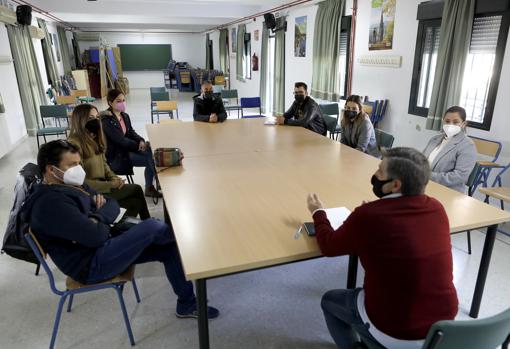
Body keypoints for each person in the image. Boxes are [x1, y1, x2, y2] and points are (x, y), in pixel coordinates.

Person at [23, 140, 219, 319]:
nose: (79, 170)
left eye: (79, 163)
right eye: (72, 165)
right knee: (152, 227)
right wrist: (99, 216)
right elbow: (96, 237)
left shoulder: (72, 184)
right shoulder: (50, 203)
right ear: (51, 169)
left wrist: (96, 217)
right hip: (90, 264)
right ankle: (199, 246)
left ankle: (186, 304)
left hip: (103, 244)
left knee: (169, 248)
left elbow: (112, 203)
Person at [306, 147, 458, 349]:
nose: (375, 175)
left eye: (379, 171)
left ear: (395, 185)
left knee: (330, 300)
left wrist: (318, 213)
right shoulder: (437, 208)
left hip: (396, 330)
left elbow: (328, 246)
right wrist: (370, 214)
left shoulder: (369, 215)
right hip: (443, 327)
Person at [68, 103, 150, 219]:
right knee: (136, 190)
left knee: (135, 202)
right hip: (93, 192)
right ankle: (145, 223)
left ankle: (134, 224)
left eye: (97, 118)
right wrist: (110, 185)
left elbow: (104, 165)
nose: (95, 121)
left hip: (105, 185)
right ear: (80, 120)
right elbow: (80, 183)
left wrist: (114, 178)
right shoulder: (74, 145)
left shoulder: (94, 137)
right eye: (91, 118)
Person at [100, 89, 161, 198]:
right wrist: (139, 146)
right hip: (117, 156)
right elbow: (120, 140)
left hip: (127, 150)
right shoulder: (107, 120)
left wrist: (141, 140)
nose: (122, 103)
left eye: (123, 100)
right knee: (150, 157)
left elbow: (131, 132)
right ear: (110, 103)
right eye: (118, 101)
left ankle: (152, 185)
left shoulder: (124, 116)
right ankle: (154, 183)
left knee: (150, 153)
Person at [422, 106, 477, 193]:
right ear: (442, 121)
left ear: (463, 124)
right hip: (424, 185)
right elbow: (420, 160)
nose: (450, 125)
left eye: (455, 122)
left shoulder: (467, 145)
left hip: (448, 191)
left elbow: (460, 176)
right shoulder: (434, 139)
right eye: (447, 121)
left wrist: (427, 176)